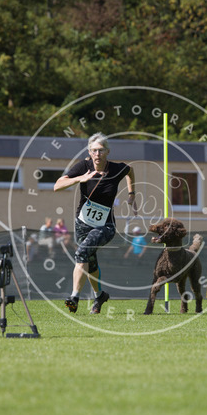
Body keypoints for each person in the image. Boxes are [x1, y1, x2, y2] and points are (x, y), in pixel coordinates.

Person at [54, 132, 137, 314]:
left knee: (82, 252)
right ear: (89, 152)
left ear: (107, 151)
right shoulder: (83, 166)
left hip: (105, 225)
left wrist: (132, 194)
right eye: (93, 150)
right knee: (89, 261)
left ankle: (74, 297)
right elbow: (57, 185)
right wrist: (79, 178)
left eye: (100, 150)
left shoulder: (116, 169)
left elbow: (130, 171)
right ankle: (99, 296)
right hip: (82, 222)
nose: (97, 154)